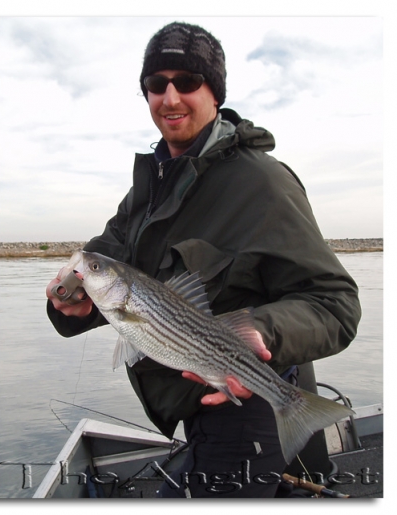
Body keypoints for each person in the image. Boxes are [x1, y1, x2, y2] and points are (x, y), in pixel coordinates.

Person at [46, 21, 361, 498]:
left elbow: (336, 303)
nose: (170, 98)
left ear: (215, 92)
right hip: (193, 408)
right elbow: (104, 267)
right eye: (156, 85)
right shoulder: (149, 187)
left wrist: (263, 330)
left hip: (244, 411)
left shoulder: (263, 183)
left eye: (187, 82)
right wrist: (67, 298)